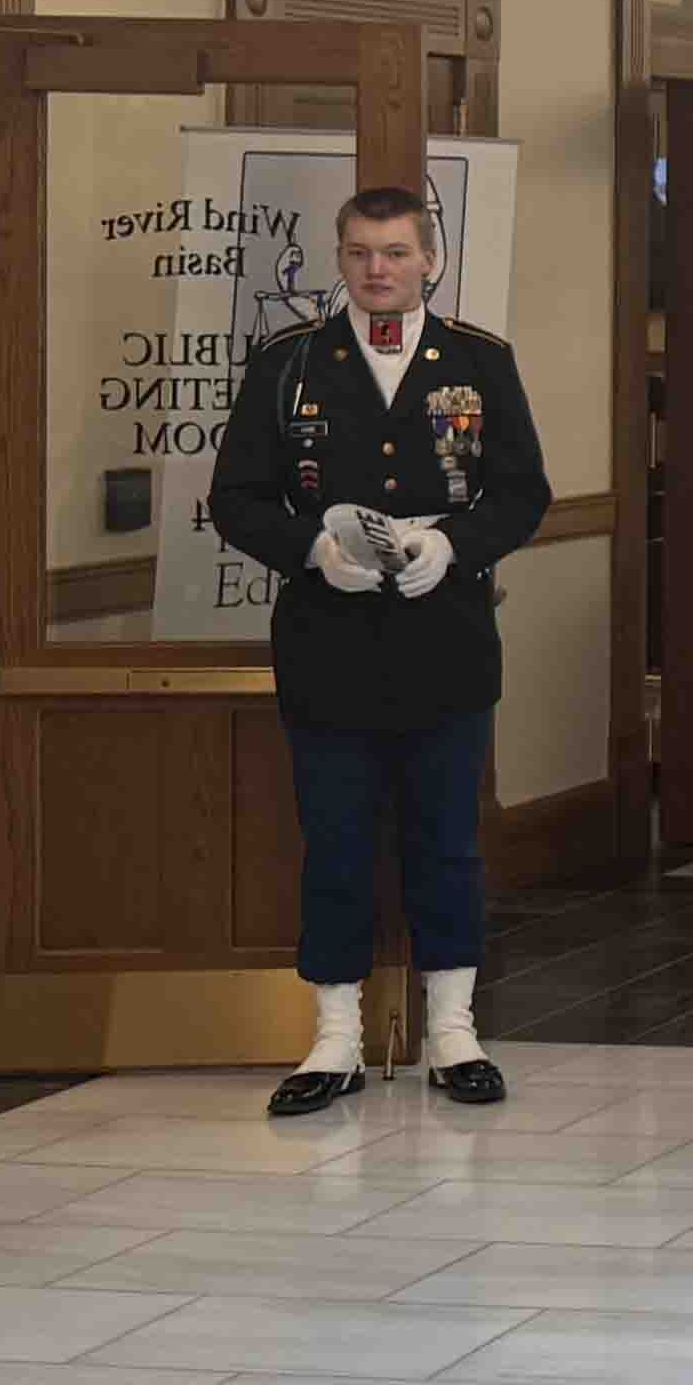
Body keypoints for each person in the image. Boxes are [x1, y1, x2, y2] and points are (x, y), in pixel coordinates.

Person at [205, 184, 552, 1117]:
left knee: (447, 840)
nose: (377, 269)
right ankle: (334, 1039)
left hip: (447, 643)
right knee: (337, 842)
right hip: (330, 644)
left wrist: (456, 547)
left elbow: (523, 493)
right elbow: (235, 498)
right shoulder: (291, 364)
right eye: (359, 252)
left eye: (396, 252)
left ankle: (454, 1033)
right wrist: (312, 550)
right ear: (340, 259)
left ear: (430, 259)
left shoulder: (478, 361)